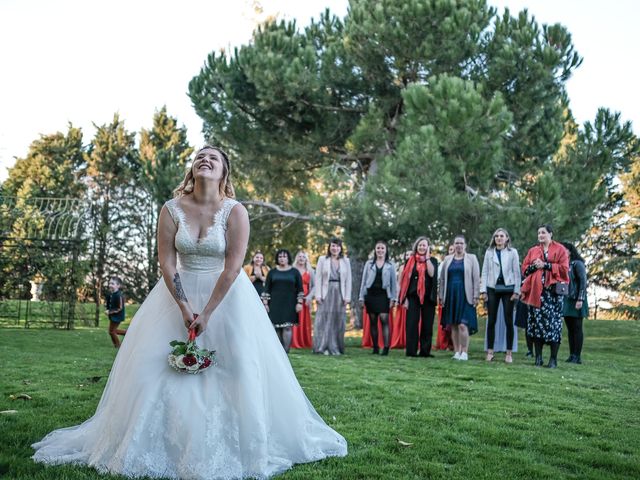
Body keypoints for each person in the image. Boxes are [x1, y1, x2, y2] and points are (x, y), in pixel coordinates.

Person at [32, 145, 347, 478]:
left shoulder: (235, 211)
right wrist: (184, 305)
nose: (205, 159)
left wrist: (207, 312)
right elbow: (166, 262)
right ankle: (158, 441)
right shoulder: (171, 209)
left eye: (214, 157)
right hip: (174, 295)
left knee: (237, 367)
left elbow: (233, 267)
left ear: (224, 172)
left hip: (227, 299)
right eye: (200, 156)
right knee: (153, 370)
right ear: (192, 169)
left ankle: (243, 441)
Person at [520, 224, 569, 369]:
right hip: (536, 294)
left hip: (553, 295)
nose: (541, 235)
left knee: (554, 325)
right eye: (539, 232)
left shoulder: (560, 250)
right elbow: (525, 269)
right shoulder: (533, 251)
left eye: (543, 232)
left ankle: (553, 359)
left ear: (550, 234)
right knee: (536, 325)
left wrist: (546, 265)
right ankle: (538, 358)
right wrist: (535, 266)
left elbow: (565, 269)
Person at [480, 228, 521, 363]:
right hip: (492, 289)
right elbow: (485, 271)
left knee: (509, 320)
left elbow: (516, 272)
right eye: (496, 236)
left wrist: (517, 291)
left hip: (508, 289)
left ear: (507, 238)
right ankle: (490, 351)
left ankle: (509, 353)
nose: (499, 238)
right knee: (491, 320)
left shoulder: (512, 252)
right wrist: (483, 291)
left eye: (501, 236)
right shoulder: (489, 252)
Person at [439, 235, 480, 361]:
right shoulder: (447, 259)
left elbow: (476, 278)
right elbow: (442, 279)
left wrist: (476, 295)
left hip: (465, 294)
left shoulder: (472, 259)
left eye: (461, 243)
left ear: (465, 245)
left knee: (463, 324)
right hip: (451, 294)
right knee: (454, 325)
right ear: (453, 245)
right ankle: (457, 352)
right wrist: (441, 296)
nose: (459, 245)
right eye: (456, 243)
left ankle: (465, 352)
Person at [398, 237, 438, 357]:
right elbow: (404, 281)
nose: (422, 247)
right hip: (413, 296)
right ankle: (411, 351)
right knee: (411, 324)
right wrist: (404, 298)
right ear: (416, 247)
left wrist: (426, 259)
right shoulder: (410, 261)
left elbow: (432, 274)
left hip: (428, 297)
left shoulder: (433, 261)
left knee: (427, 325)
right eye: (420, 245)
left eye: (424, 245)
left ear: (428, 247)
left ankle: (425, 351)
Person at [359, 240, 398, 355]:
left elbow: (393, 283)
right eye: (378, 248)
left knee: (384, 319)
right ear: (375, 250)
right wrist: (361, 297)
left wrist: (393, 299)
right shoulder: (369, 264)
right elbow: (363, 281)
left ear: (386, 250)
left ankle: (386, 348)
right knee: (373, 321)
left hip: (384, 295)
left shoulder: (390, 265)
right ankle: (375, 347)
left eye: (382, 248)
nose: (380, 250)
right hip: (371, 294)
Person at [313, 238, 352, 355]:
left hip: (340, 292)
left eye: (337, 246)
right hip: (326, 292)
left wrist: (347, 296)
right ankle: (322, 347)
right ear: (329, 248)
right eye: (333, 246)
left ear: (341, 248)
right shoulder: (322, 260)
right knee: (323, 320)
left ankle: (335, 347)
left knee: (338, 320)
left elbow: (348, 280)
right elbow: (318, 278)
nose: (335, 248)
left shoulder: (346, 261)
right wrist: (318, 295)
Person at [262, 249, 304, 353]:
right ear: (277, 258)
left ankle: (286, 352)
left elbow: (300, 288)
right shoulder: (272, 272)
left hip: (290, 303)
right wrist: (265, 303)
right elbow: (267, 288)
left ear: (288, 258)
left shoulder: (295, 272)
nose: (282, 258)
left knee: (287, 327)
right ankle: (279, 352)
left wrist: (299, 303)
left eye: (284, 256)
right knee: (276, 328)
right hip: (275, 304)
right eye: (280, 257)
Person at [561, 241, 588, 364]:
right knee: (570, 329)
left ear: (569, 251)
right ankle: (572, 355)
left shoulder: (578, 264)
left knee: (577, 328)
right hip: (567, 300)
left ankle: (577, 356)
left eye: (563, 249)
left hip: (576, 299)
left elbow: (583, 281)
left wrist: (580, 299)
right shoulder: (564, 264)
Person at [291, 250, 315, 349]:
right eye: (299, 256)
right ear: (297, 258)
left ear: (306, 259)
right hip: (294, 298)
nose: (301, 258)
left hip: (306, 299)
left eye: (303, 257)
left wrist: (309, 296)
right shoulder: (292, 270)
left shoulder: (311, 271)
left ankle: (304, 341)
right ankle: (294, 341)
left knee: (304, 320)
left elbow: (314, 286)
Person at [435, 245, 454, 351]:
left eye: (454, 249)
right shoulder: (443, 264)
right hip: (445, 296)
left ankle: (454, 344)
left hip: (456, 295)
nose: (452, 251)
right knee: (445, 322)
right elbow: (439, 281)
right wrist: (440, 295)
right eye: (450, 250)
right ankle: (444, 343)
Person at [105, 276, 126, 348]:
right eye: (110, 283)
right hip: (113, 316)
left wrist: (110, 311)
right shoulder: (111, 294)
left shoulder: (119, 295)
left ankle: (118, 345)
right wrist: (108, 309)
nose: (110, 285)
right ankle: (127, 334)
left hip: (118, 316)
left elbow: (119, 308)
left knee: (112, 331)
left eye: (113, 284)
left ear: (118, 286)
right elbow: (109, 303)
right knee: (111, 331)